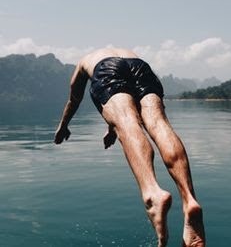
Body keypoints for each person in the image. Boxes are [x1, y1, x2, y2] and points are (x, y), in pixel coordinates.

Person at [54, 47, 205, 247]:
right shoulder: (125, 51)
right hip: (141, 67)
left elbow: (74, 99)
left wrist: (63, 126)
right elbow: (126, 93)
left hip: (107, 70)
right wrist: (110, 129)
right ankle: (189, 199)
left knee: (127, 124)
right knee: (159, 124)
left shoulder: (85, 61)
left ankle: (153, 193)